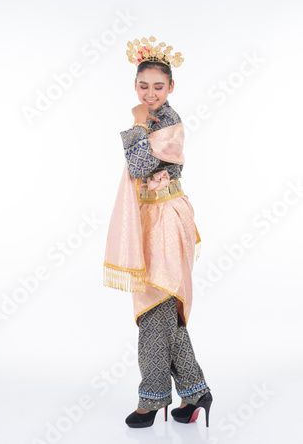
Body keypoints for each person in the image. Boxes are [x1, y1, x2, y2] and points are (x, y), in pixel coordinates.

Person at [103, 36, 212, 428]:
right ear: (135, 85)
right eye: (143, 85)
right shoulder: (154, 119)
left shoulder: (169, 123)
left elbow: (136, 165)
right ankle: (196, 393)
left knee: (154, 314)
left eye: (158, 86)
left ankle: (151, 400)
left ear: (171, 87)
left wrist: (135, 123)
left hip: (166, 220)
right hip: (153, 219)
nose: (150, 93)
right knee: (165, 315)